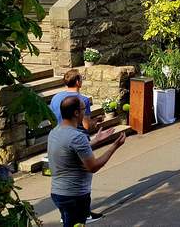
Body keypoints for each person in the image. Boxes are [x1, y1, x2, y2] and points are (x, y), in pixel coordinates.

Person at [48, 96, 125, 227]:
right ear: (76, 113)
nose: (85, 113)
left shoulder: (55, 132)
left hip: (59, 193)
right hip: (75, 195)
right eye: (84, 109)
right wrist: (114, 146)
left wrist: (96, 140)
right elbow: (93, 167)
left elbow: (72, 150)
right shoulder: (77, 136)